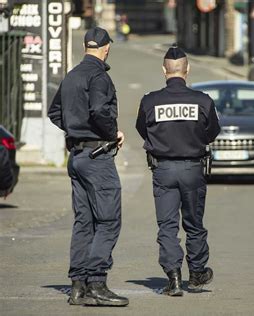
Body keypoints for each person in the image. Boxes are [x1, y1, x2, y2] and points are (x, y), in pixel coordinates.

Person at [47, 27, 128, 306]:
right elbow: (98, 111)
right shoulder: (99, 76)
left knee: (84, 222)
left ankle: (78, 286)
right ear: (106, 48)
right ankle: (97, 282)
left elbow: (54, 112)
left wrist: (74, 129)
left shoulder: (71, 76)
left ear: (85, 47)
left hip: (77, 157)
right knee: (108, 221)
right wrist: (112, 133)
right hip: (97, 157)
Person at [135, 44, 220, 296]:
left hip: (163, 170)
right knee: (194, 224)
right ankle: (196, 273)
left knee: (167, 226)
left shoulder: (150, 101)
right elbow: (212, 132)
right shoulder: (203, 101)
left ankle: (173, 278)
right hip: (193, 169)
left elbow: (143, 129)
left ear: (164, 70)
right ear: (187, 70)